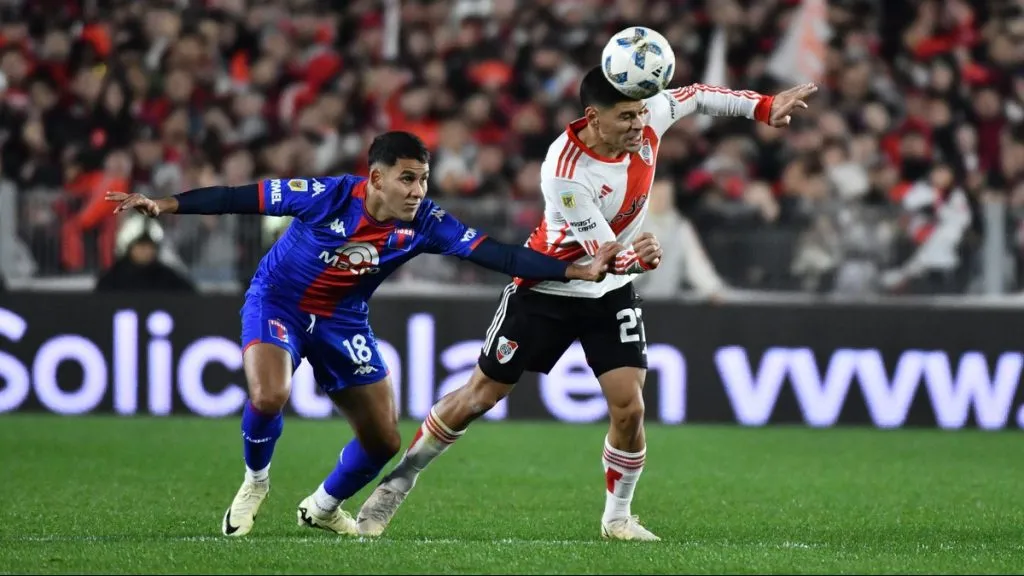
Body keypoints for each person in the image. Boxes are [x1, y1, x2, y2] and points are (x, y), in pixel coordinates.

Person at [357, 68, 817, 541]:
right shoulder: (565, 170)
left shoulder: (648, 116)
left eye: (641, 113)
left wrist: (762, 106)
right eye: (625, 117)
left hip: (608, 293)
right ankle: (401, 479)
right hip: (549, 284)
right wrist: (641, 256)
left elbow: (698, 96)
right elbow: (602, 259)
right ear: (593, 117)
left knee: (630, 408)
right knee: (481, 396)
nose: (639, 125)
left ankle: (618, 517)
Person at [105, 131, 622, 538]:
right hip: (278, 302)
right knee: (270, 393)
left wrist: (576, 272)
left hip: (343, 319)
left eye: (423, 179)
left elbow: (501, 255)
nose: (418, 191)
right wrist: (166, 204)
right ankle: (255, 481)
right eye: (407, 179)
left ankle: (324, 507)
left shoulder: (426, 222)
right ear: (375, 179)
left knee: (383, 441)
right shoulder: (326, 196)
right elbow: (241, 197)